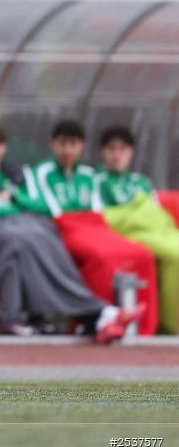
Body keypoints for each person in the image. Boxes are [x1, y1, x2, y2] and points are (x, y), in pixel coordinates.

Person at [0, 124, 141, 342]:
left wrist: (15, 198)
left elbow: (39, 206)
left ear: (4, 148)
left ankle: (96, 316)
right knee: (27, 241)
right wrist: (20, 204)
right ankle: (97, 314)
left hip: (31, 228)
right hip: (9, 229)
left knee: (42, 238)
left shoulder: (17, 173)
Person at [28, 120, 158, 336]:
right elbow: (50, 208)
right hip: (65, 227)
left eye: (74, 144)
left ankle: (144, 326)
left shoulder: (89, 175)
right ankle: (103, 320)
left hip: (94, 225)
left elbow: (98, 209)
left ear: (82, 146)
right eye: (63, 143)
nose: (68, 150)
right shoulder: (42, 172)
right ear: (53, 145)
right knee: (102, 257)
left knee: (142, 253)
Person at [96, 126, 179, 334]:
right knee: (175, 255)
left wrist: (140, 212)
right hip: (128, 234)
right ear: (103, 152)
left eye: (122, 149)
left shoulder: (141, 182)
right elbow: (103, 217)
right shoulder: (97, 181)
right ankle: (173, 324)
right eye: (112, 149)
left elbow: (155, 213)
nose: (117, 154)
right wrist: (133, 213)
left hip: (156, 231)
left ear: (131, 152)